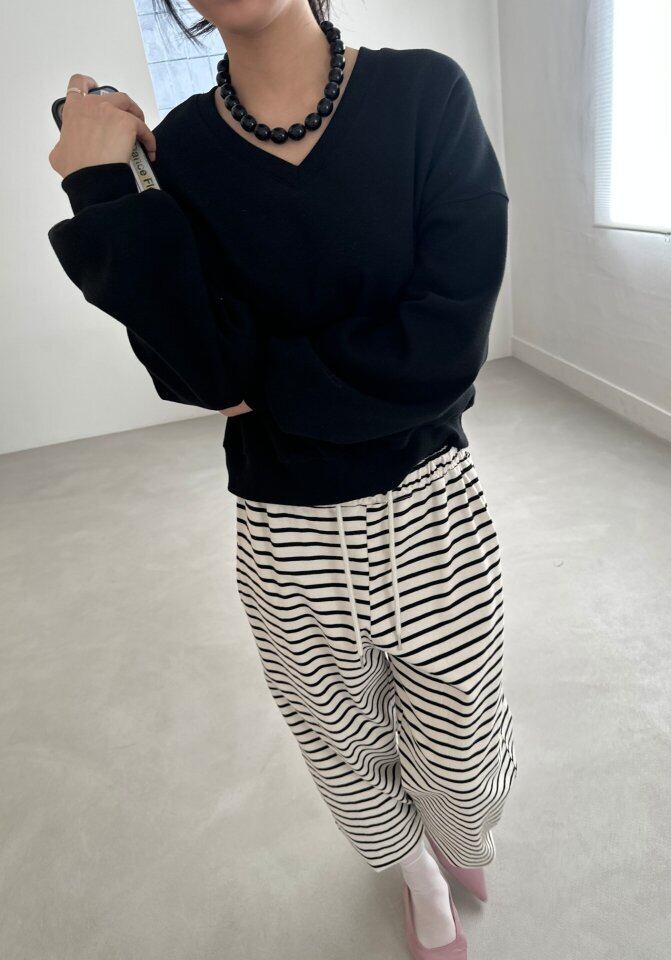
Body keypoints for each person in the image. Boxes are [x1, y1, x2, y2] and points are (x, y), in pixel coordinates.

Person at [47, 1, 518, 956]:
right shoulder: (178, 153)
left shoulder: (426, 93)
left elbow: (441, 351)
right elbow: (196, 374)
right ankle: (413, 870)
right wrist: (102, 188)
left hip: (430, 503)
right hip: (282, 523)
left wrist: (257, 380)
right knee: (340, 745)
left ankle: (454, 834)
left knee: (467, 752)